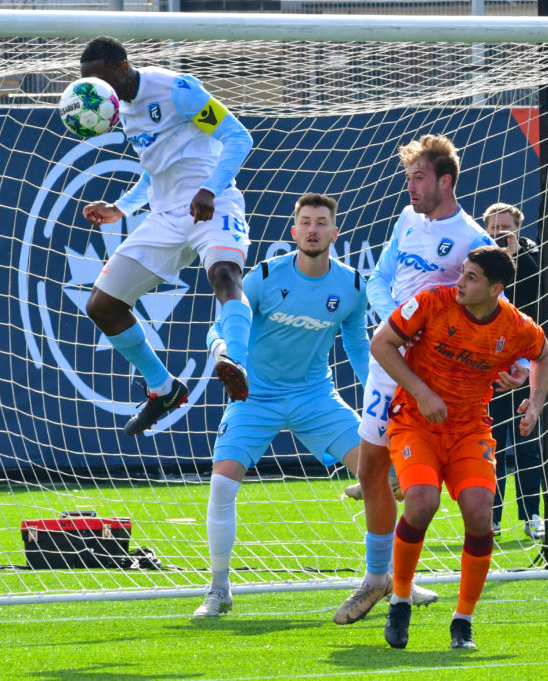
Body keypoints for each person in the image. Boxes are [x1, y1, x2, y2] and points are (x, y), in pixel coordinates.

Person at [334, 134, 519, 625]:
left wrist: (507, 364)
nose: (410, 187)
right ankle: (380, 578)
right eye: (408, 178)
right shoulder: (406, 219)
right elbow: (383, 277)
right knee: (368, 470)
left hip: (439, 376)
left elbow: (491, 309)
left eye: (418, 178)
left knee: (434, 495)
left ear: (445, 181)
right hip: (390, 360)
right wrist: (392, 322)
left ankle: (405, 584)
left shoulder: (474, 240)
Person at [193, 193, 371, 617]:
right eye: (305, 222)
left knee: (383, 476)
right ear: (294, 230)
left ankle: (393, 579)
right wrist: (221, 350)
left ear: (334, 231)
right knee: (221, 484)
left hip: (316, 398)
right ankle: (219, 590)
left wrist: (378, 395)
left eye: (321, 222)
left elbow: (357, 344)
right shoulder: (265, 276)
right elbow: (219, 324)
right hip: (256, 397)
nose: (313, 229)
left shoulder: (352, 285)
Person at [372, 246, 548, 649]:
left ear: (496, 289)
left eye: (471, 277)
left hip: (470, 428)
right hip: (416, 422)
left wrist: (536, 402)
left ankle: (463, 620)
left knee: (479, 514)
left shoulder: (516, 325)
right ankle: (400, 599)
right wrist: (421, 393)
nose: (460, 282)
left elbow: (543, 354)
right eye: (463, 273)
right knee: (420, 503)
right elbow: (381, 343)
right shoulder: (433, 303)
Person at [78, 35, 254, 436]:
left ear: (123, 67)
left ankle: (237, 362)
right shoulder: (120, 109)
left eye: (103, 80)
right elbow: (154, 168)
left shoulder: (178, 91)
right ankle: (163, 388)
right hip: (165, 217)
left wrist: (210, 186)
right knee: (102, 305)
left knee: (225, 273)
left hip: (214, 203)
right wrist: (121, 208)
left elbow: (238, 137)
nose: (101, 92)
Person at [482, 203, 546, 540]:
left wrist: (514, 256)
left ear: (518, 230)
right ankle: (490, 519)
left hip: (523, 367)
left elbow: (539, 295)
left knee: (525, 444)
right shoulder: (478, 260)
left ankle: (532, 514)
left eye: (505, 228)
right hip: (487, 369)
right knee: (490, 446)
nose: (498, 234)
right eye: (493, 228)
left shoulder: (533, 259)